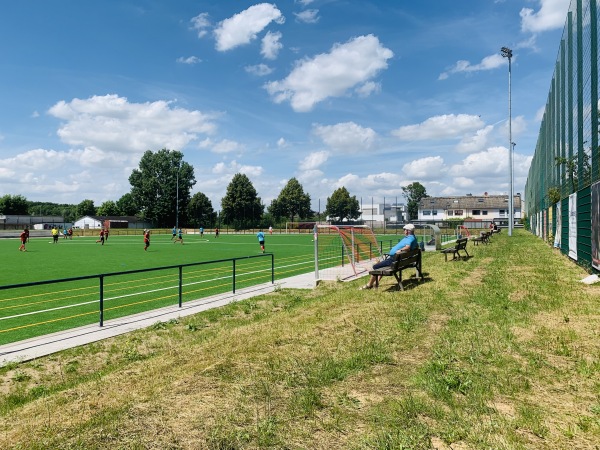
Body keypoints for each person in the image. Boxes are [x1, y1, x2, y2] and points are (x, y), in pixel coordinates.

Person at [360, 224, 419, 290]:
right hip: (399, 261)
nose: (404, 231)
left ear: (408, 231)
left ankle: (369, 285)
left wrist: (400, 250)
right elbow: (416, 246)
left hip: (394, 260)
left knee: (375, 266)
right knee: (382, 265)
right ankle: (376, 282)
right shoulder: (413, 238)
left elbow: (408, 247)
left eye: (404, 230)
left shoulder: (410, 238)